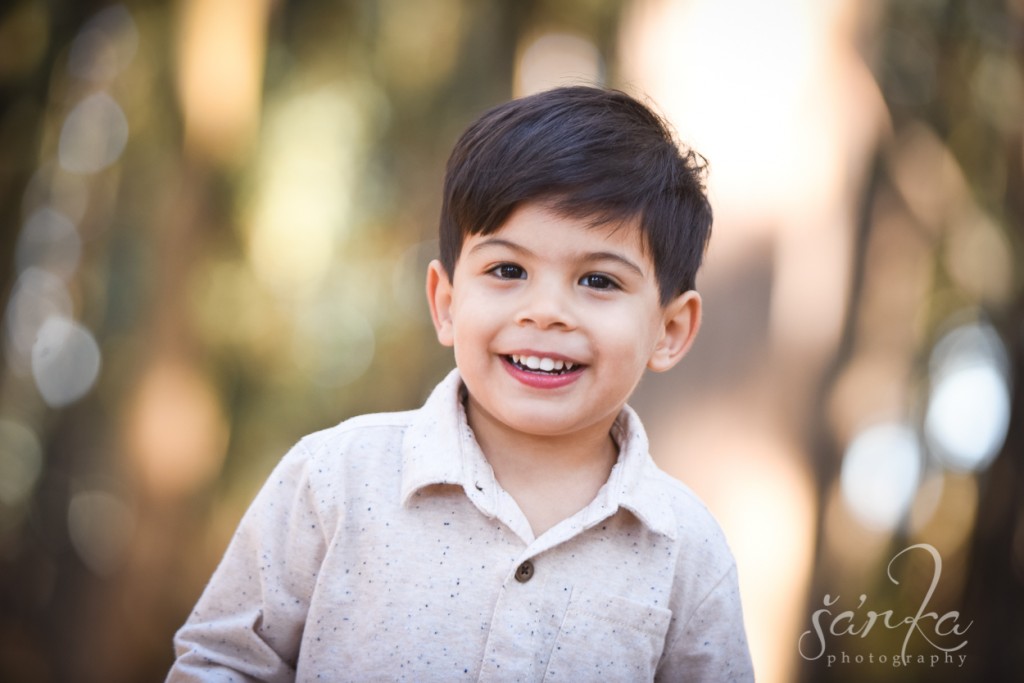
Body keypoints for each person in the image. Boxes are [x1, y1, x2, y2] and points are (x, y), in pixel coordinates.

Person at [167, 86, 754, 681]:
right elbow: (222, 663)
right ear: (445, 303)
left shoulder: (686, 550)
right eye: (507, 270)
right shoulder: (336, 477)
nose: (545, 311)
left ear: (670, 330)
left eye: (599, 281)